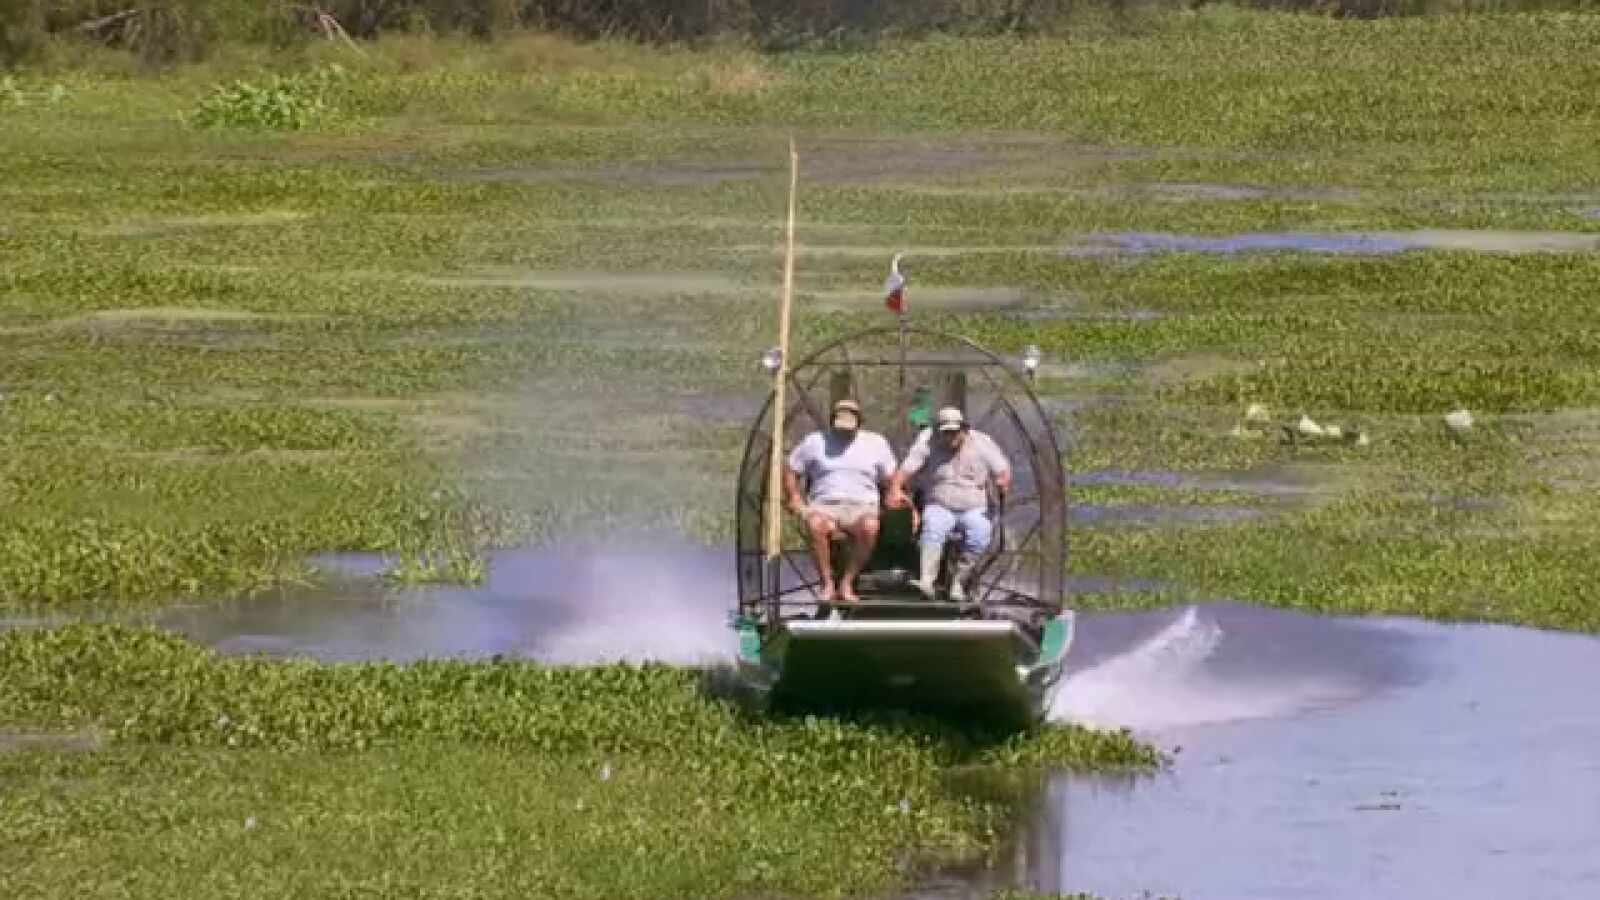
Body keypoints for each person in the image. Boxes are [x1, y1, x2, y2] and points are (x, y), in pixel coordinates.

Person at [887, 406, 1011, 601]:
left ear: (964, 429)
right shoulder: (927, 442)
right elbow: (906, 470)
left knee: (980, 532)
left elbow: (1002, 470)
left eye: (954, 432)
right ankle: (927, 581)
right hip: (939, 505)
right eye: (945, 432)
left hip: (974, 507)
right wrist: (895, 489)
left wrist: (1002, 480)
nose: (950, 436)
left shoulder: (982, 444)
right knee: (933, 527)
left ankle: (959, 583)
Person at [784, 398, 897, 604]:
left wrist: (895, 494)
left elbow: (890, 478)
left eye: (849, 427)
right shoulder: (815, 441)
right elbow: (792, 470)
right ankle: (827, 583)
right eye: (840, 427)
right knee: (815, 524)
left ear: (859, 422)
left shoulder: (876, 443)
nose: (844, 432)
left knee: (870, 526)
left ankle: (847, 582)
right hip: (825, 505)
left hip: (862, 506)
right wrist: (794, 497)